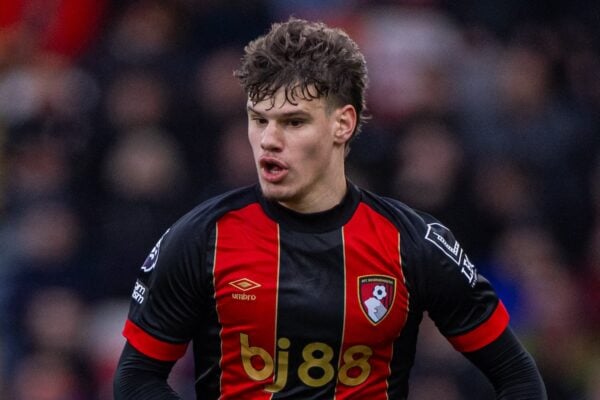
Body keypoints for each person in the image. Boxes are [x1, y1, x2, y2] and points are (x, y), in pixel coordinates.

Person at [113, 18, 547, 399]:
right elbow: (136, 378)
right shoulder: (199, 237)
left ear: (343, 123)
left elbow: (518, 378)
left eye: (293, 121)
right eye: (258, 119)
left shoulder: (414, 243)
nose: (268, 139)